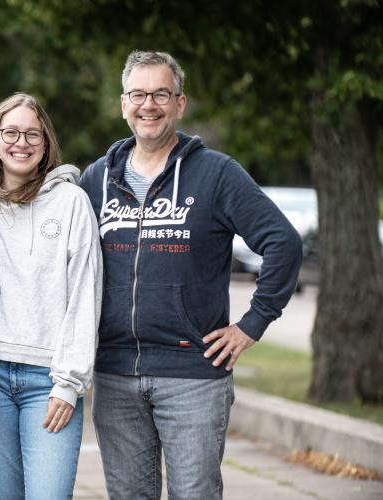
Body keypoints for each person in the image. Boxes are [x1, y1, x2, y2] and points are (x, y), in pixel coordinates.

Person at [79, 51, 303, 499]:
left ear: (180, 104)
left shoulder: (216, 173)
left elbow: (283, 243)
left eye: (161, 94)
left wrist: (251, 325)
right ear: (123, 104)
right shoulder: (96, 179)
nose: (149, 105)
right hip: (115, 374)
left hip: (193, 376)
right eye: (139, 95)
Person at [0, 93, 102, 499]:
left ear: (45, 145)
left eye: (31, 135)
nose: (20, 143)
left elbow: (85, 292)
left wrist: (69, 382)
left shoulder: (71, 202)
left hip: (49, 380)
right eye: (10, 132)